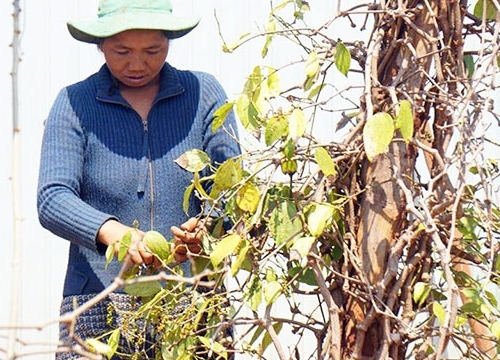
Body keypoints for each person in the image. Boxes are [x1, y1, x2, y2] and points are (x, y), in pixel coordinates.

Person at [36, 0, 240, 358]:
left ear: (169, 42)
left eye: (153, 50)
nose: (137, 64)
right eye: (121, 50)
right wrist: (115, 233)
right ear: (100, 45)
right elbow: (53, 198)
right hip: (97, 300)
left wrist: (207, 228)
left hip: (193, 295)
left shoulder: (203, 95)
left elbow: (233, 186)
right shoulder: (73, 102)